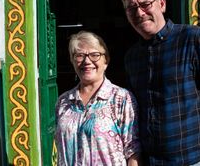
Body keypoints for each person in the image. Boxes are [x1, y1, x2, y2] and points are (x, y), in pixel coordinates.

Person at [121, 0, 200, 165]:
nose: (139, 13)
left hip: (190, 160)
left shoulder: (193, 39)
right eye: (131, 8)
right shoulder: (132, 57)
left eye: (145, 4)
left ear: (162, 4)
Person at [55, 31, 141, 165]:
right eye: (79, 55)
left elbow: (133, 151)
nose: (87, 61)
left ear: (106, 60)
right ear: (72, 61)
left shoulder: (121, 99)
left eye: (95, 55)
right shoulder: (63, 102)